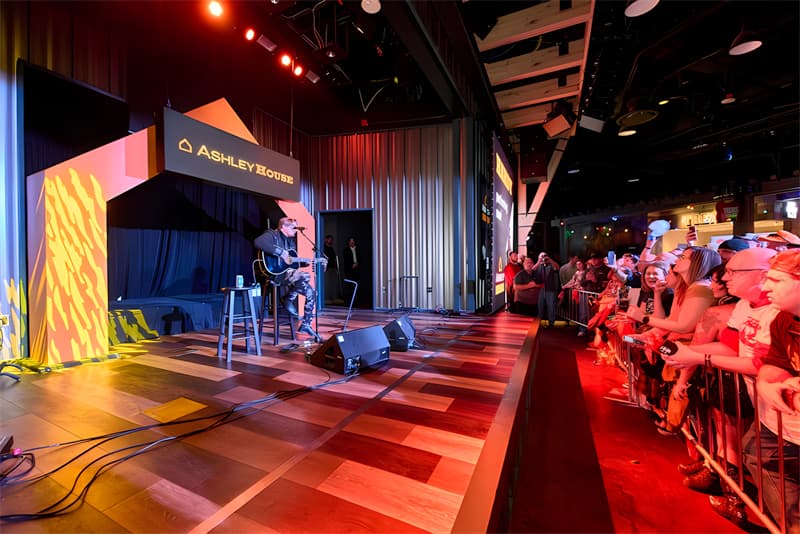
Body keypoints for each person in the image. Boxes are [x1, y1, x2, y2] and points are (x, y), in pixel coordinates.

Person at [749, 249, 800, 532]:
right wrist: (766, 383)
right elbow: (775, 363)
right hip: (786, 425)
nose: (765, 287)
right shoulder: (783, 319)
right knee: (756, 454)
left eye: (776, 280)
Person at [254, 217, 320, 341]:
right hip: (274, 274)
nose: (296, 230)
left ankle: (306, 324)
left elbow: (290, 264)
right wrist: (280, 252)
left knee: (312, 292)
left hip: (287, 274)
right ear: (284, 227)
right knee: (305, 276)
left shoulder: (290, 242)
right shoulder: (272, 235)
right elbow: (258, 242)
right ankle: (288, 299)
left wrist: (302, 263)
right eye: (293, 228)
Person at [534, 252, 560, 328]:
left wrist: (550, 260)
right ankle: (538, 322)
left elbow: (557, 268)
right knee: (540, 306)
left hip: (551, 289)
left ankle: (551, 323)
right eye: (541, 256)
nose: (543, 258)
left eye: (545, 256)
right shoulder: (538, 265)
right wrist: (539, 262)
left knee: (551, 306)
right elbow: (532, 270)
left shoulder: (551, 265)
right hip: (540, 289)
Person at [323, 235, 342, 304]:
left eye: (332, 239)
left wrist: (336, 267)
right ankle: (326, 298)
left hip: (333, 267)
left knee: (333, 283)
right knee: (327, 283)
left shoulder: (331, 248)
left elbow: (334, 258)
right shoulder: (323, 248)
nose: (331, 241)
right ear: (326, 239)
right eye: (329, 239)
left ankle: (333, 298)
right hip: (327, 268)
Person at [342, 237, 361, 304]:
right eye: (350, 242)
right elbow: (346, 260)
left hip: (357, 269)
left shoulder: (358, 249)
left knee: (357, 284)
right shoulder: (345, 250)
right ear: (348, 242)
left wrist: (357, 264)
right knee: (349, 285)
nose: (352, 243)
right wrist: (351, 265)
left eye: (353, 242)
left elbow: (361, 258)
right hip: (349, 270)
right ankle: (349, 301)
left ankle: (357, 300)